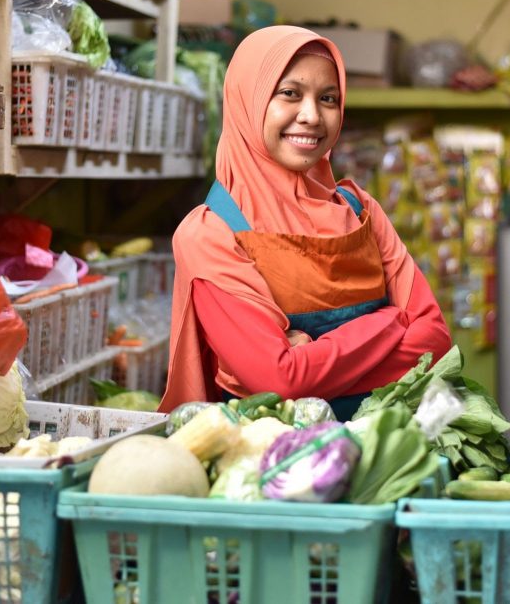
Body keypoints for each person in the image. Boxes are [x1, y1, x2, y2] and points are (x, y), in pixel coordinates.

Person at [160, 25, 452, 420]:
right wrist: (391, 322)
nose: (312, 116)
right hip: (276, 464)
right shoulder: (212, 234)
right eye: (290, 94)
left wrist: (312, 355)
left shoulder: (361, 210)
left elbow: (435, 341)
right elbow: (279, 382)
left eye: (328, 98)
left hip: (387, 449)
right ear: (248, 100)